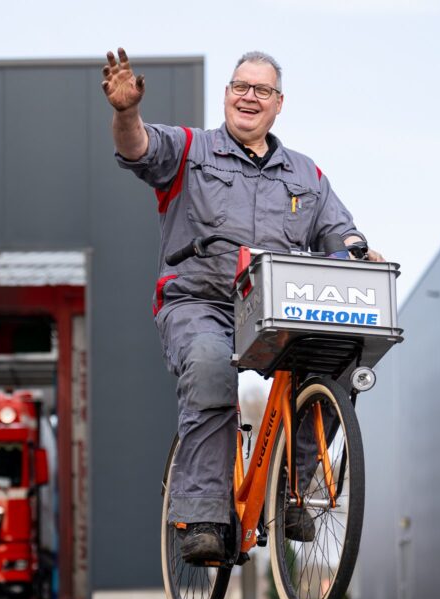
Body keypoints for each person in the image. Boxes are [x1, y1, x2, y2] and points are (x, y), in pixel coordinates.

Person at [103, 48, 384, 563]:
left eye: (262, 90)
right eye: (240, 86)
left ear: (280, 104)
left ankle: (295, 489)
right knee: (211, 367)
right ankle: (204, 517)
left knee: (336, 357)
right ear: (227, 95)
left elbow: (341, 234)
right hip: (200, 302)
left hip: (278, 309)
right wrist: (126, 113)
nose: (249, 97)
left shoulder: (306, 174)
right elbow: (138, 148)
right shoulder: (190, 150)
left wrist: (360, 251)